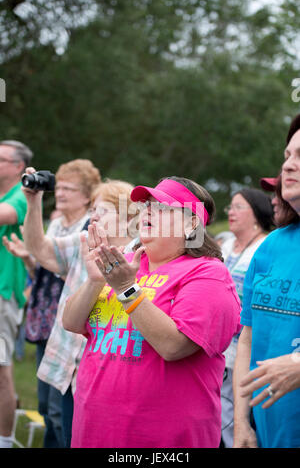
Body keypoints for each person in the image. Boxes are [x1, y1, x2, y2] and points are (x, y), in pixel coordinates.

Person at [63, 176, 242, 448]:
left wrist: (126, 288)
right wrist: (95, 280)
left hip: (160, 438)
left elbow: (174, 346)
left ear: (191, 223)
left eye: (161, 207)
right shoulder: (128, 263)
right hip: (94, 429)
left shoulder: (209, 274)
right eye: (147, 206)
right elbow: (71, 323)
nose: (148, 211)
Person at [23, 177, 136, 448]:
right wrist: (33, 202)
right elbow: (39, 248)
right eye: (93, 209)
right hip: (67, 359)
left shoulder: (141, 256)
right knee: (58, 425)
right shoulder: (82, 241)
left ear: (128, 216)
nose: (94, 215)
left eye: (103, 210)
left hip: (108, 369)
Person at [4, 159, 100, 448]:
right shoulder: (57, 223)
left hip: (73, 321)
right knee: (46, 404)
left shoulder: (90, 228)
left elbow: (63, 270)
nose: (61, 193)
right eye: (61, 187)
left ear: (87, 196)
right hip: (48, 317)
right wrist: (27, 259)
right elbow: (45, 266)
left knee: (61, 409)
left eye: (70, 189)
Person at [233, 114, 300, 448]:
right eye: (287, 156)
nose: (288, 166)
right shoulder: (271, 246)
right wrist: (243, 422)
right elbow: (247, 337)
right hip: (266, 432)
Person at [220, 188, 274, 448]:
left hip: (243, 346)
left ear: (257, 213)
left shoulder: (265, 246)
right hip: (217, 348)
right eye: (230, 207)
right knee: (219, 416)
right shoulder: (224, 244)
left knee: (235, 419)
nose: (231, 212)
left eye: (239, 207)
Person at [0, 139, 33, 449]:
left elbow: (4, 215)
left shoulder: (20, 196)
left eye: (0, 159)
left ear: (17, 167)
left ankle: (5, 441)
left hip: (2, 295)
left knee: (1, 370)